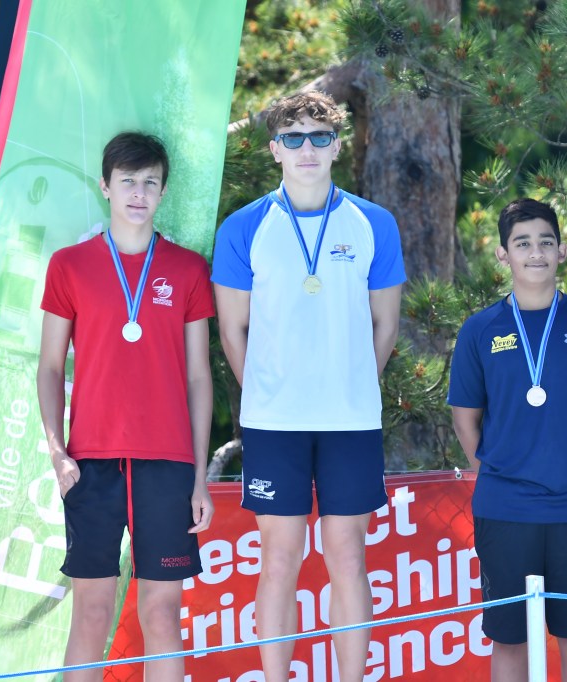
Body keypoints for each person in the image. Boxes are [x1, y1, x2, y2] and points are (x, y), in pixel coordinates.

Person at [211, 91, 405, 682]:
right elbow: (232, 330)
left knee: (348, 558)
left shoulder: (374, 223)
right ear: (274, 149)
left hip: (350, 420)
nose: (307, 149)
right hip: (274, 423)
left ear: (337, 146)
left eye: (319, 137)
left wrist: (351, 383)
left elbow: (386, 324)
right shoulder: (244, 227)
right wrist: (268, 391)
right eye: (292, 138)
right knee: (279, 560)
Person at [36, 132, 214, 682]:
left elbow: (199, 377)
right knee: (91, 613)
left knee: (161, 614)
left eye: (150, 183)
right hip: (90, 462)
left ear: (163, 192)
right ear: (106, 187)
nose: (139, 193)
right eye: (129, 181)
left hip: (168, 464)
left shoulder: (187, 269)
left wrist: (200, 477)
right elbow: (50, 367)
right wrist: (57, 451)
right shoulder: (69, 266)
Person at [447, 198, 567, 682]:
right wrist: (495, 474)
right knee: (510, 641)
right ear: (503, 255)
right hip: (505, 508)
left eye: (546, 242)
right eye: (522, 243)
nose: (536, 253)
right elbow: (465, 419)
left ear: (561, 251)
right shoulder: (480, 330)